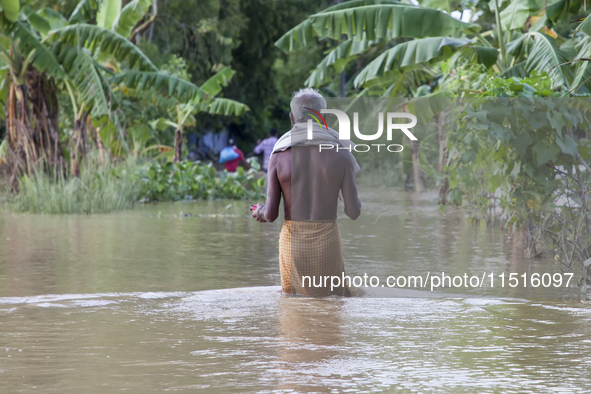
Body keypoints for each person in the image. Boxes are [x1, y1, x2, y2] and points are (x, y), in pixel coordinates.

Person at [251, 88, 361, 297]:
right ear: (325, 117)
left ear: (292, 118)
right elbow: (353, 212)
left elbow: (271, 214)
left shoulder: (279, 157)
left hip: (292, 243)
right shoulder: (341, 155)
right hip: (327, 242)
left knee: (292, 306)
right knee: (335, 303)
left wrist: (260, 211)